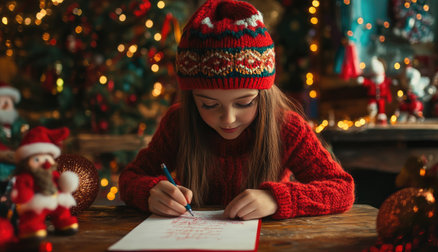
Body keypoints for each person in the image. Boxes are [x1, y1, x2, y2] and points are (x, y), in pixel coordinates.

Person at [119, 0, 354, 220]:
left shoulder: (287, 127)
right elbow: (131, 178)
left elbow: (342, 188)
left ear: (264, 96)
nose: (228, 119)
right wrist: (150, 192)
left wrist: (276, 198)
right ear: (192, 100)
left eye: (244, 103)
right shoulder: (178, 123)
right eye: (209, 105)